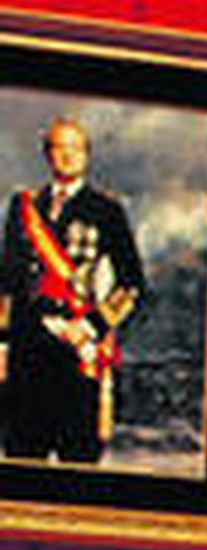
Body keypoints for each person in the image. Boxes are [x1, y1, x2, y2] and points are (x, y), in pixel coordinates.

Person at [0, 117, 144, 463]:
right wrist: (2, 341)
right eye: (58, 148)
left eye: (74, 148)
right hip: (27, 352)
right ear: (47, 155)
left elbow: (131, 284)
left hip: (77, 354)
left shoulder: (107, 211)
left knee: (77, 464)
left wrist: (90, 326)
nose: (67, 156)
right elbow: (6, 281)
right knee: (22, 461)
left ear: (87, 156)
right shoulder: (22, 208)